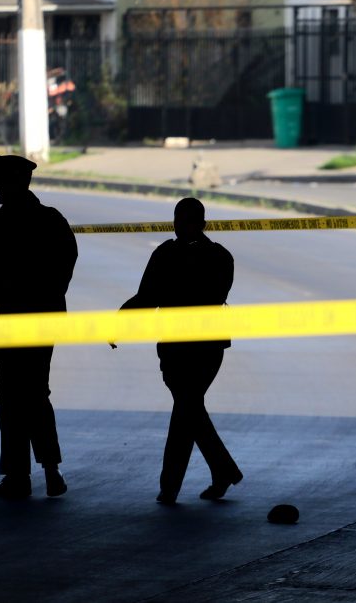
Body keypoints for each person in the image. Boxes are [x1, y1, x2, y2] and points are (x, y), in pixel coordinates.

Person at [118, 197, 242, 505]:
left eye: (186, 221)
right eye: (179, 220)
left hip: (185, 346)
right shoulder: (219, 256)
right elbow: (149, 297)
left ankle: (173, 485)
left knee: (186, 408)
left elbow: (148, 297)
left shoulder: (170, 255)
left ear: (201, 224)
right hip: (200, 346)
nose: (181, 226)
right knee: (189, 409)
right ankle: (221, 471)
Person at [0, 152, 78, 499]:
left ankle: (18, 477)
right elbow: (66, 264)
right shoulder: (52, 219)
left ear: (16, 183)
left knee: (12, 399)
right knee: (36, 394)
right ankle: (51, 471)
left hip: (11, 320)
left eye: (0, 183)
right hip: (44, 320)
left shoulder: (0, 221)